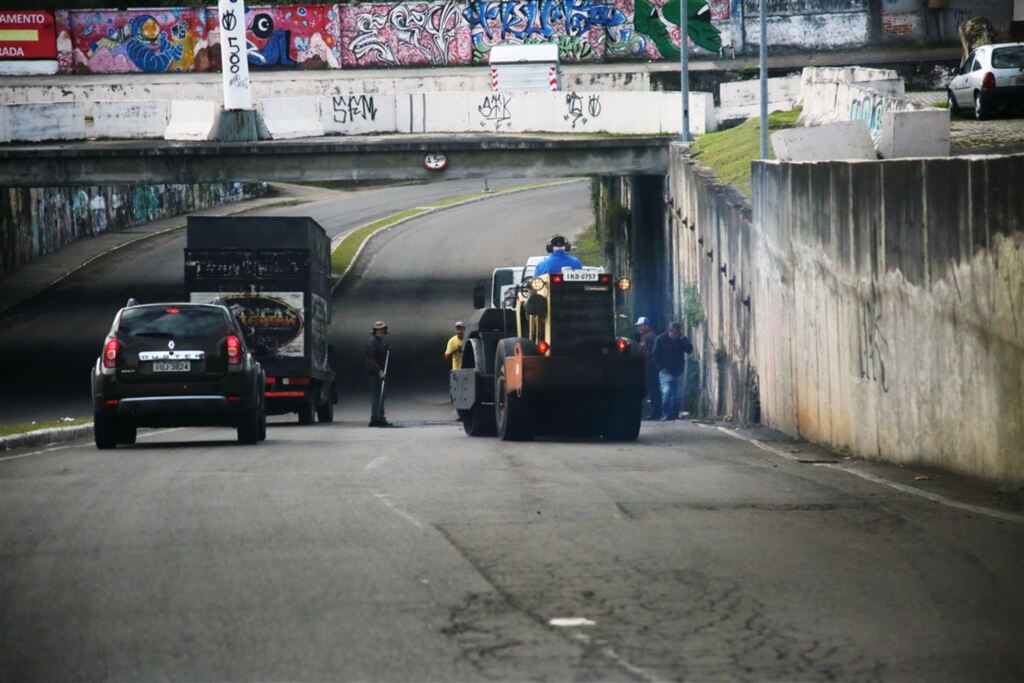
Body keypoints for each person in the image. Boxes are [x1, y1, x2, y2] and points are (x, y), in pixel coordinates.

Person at [651, 321, 693, 421]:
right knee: (666, 392)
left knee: (676, 395)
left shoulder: (681, 340)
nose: (675, 336)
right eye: (673, 333)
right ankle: (666, 413)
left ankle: (674, 414)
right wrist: (660, 367)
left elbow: (689, 350)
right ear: (669, 331)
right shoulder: (660, 339)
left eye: (677, 333)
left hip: (678, 372)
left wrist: (682, 340)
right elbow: (654, 355)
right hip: (665, 372)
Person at [365, 320, 393, 427]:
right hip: (373, 371)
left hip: (378, 370)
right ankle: (376, 418)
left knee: (381, 394)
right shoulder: (371, 342)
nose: (380, 332)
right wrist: (379, 371)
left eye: (382, 330)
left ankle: (379, 417)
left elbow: (384, 349)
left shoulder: (381, 341)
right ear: (374, 331)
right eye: (378, 330)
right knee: (378, 394)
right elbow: (371, 360)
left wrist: (387, 348)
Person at [634, 316, 662, 420]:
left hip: (651, 369)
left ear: (647, 326)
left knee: (654, 391)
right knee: (652, 391)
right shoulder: (645, 337)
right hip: (647, 368)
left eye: (641, 326)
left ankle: (656, 413)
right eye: (638, 326)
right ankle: (655, 412)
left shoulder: (650, 337)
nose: (638, 328)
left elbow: (650, 355)